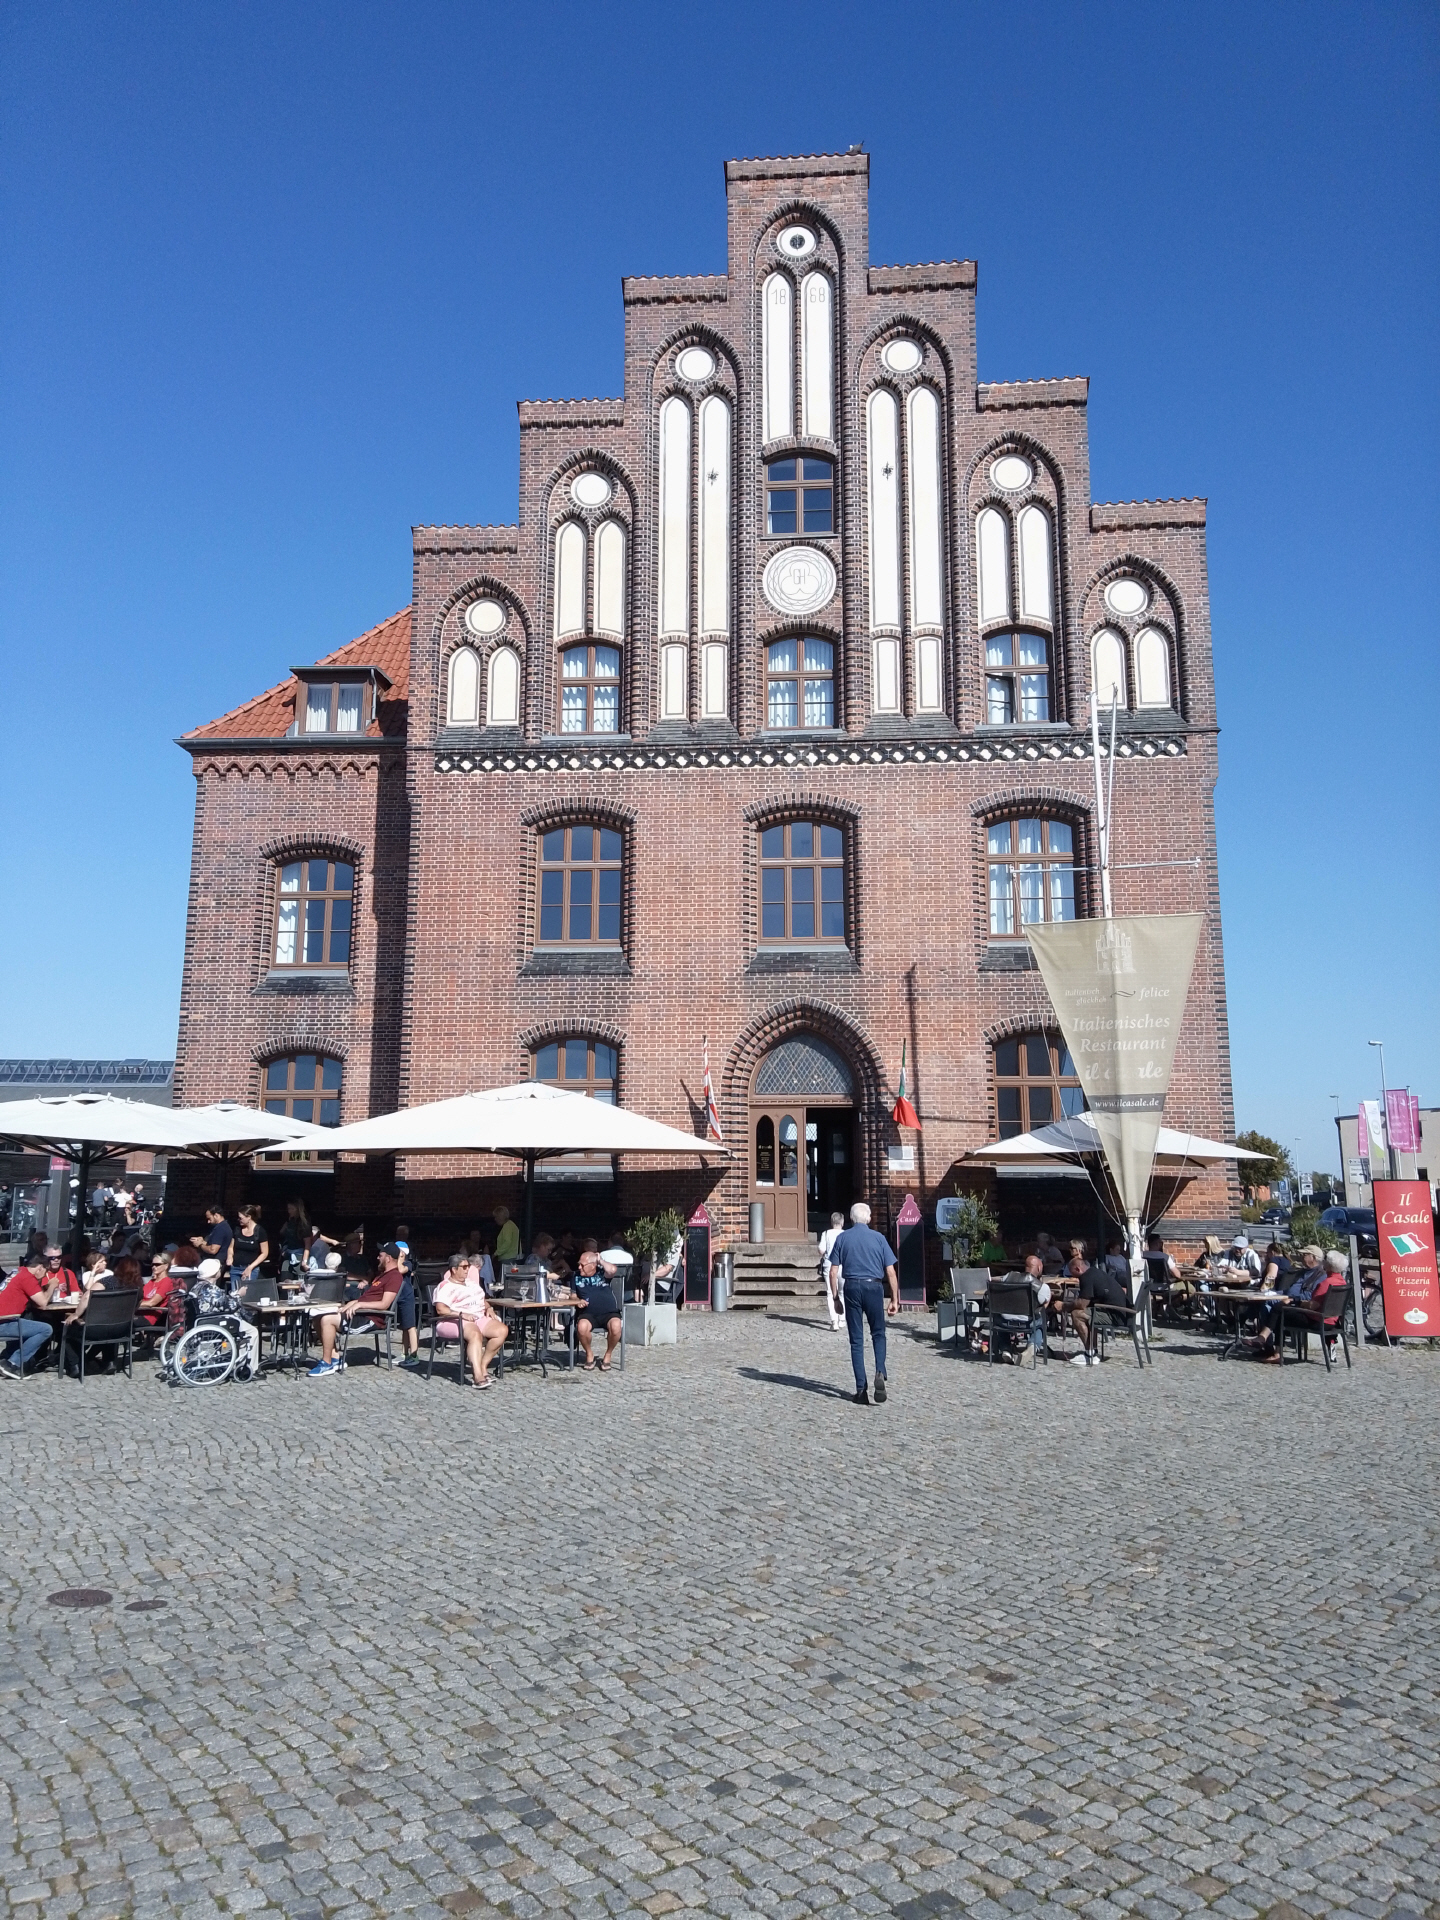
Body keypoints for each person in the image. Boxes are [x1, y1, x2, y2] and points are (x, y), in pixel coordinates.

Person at [828, 1201, 900, 1407]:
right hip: (874, 1286)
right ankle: (880, 1371)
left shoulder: (843, 1238)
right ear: (868, 1218)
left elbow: (833, 1272)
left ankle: (861, 1390)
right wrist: (894, 1299)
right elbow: (890, 1271)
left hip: (852, 1287)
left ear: (851, 1219)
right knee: (878, 1333)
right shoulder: (879, 1238)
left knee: (856, 1340)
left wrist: (836, 1299)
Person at [308, 1243, 403, 1377]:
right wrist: (350, 1304)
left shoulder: (394, 1276)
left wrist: (360, 1305)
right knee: (318, 1316)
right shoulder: (381, 1275)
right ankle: (335, 1358)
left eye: (380, 1255)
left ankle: (326, 1363)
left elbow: (384, 1304)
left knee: (327, 1319)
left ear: (388, 1258)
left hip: (370, 1318)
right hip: (360, 1313)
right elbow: (366, 1298)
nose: (377, 1258)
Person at [433, 1249, 509, 1387]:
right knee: (474, 1333)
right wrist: (461, 1314)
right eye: (464, 1267)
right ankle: (477, 1376)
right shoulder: (445, 1286)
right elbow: (441, 1309)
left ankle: (483, 1366)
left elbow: (482, 1300)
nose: (467, 1270)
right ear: (454, 1269)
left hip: (477, 1317)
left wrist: (489, 1308)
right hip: (452, 1320)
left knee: (501, 1330)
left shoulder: (471, 1284)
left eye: (468, 1266)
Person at [191, 1258, 262, 1377]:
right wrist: (239, 1295)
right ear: (215, 1274)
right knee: (252, 1331)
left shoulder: (196, 1287)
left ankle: (240, 1361)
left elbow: (220, 1301)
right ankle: (250, 1369)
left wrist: (233, 1295)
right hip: (215, 1322)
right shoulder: (212, 1289)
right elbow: (230, 1306)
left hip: (203, 1321)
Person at [0, 1248, 62, 1376]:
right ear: (40, 1268)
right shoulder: (27, 1278)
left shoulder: (17, 1271)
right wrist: (52, 1286)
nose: (45, 1275)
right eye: (45, 1271)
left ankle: (4, 1358)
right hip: (4, 1322)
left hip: (6, 1319)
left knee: (29, 1325)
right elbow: (43, 1303)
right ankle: (13, 1364)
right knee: (45, 1329)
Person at [1068, 1255, 1128, 1365]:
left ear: (1078, 1269)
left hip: (1115, 1315)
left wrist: (1064, 1306)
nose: (1073, 1277)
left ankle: (1089, 1355)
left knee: (1077, 1314)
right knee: (1088, 1314)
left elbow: (1082, 1303)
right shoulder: (1095, 1272)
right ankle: (1093, 1351)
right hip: (1120, 1312)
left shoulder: (1086, 1277)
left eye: (1073, 1273)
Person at [572, 1247, 622, 1370]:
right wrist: (577, 1301)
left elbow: (613, 1270)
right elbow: (572, 1295)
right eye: (579, 1264)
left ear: (593, 1265)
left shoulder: (602, 1273)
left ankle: (608, 1354)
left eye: (582, 1265)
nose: (579, 1267)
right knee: (581, 1328)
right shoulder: (576, 1276)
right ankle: (589, 1354)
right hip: (588, 1313)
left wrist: (600, 1261)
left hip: (609, 1313)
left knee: (616, 1326)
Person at [390, 1225, 420, 1366]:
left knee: (410, 1326)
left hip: (407, 1297)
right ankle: (404, 1353)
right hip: (399, 1297)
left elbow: (401, 1270)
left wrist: (401, 1258)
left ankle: (414, 1354)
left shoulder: (407, 1263)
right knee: (404, 1327)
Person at [817, 1211, 846, 1331]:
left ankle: (834, 1321)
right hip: (843, 1266)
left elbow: (821, 1250)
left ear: (832, 1222)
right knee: (842, 1292)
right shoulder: (845, 1234)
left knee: (830, 1292)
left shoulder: (826, 1233)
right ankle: (842, 1319)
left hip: (829, 1265)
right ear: (842, 1222)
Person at [231, 1205, 270, 1291]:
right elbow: (231, 1247)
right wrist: (229, 1257)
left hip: (250, 1268)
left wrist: (250, 1267)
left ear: (249, 1217)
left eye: (241, 1218)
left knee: (247, 1293)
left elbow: (264, 1253)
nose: (239, 1220)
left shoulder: (259, 1231)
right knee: (235, 1294)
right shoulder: (237, 1229)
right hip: (235, 1267)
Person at [201, 1207, 234, 1272]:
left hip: (215, 1264)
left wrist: (200, 1245)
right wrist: (202, 1242)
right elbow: (213, 1244)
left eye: (209, 1218)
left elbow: (213, 1250)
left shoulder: (220, 1229)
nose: (208, 1222)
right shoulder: (222, 1227)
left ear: (216, 1215)